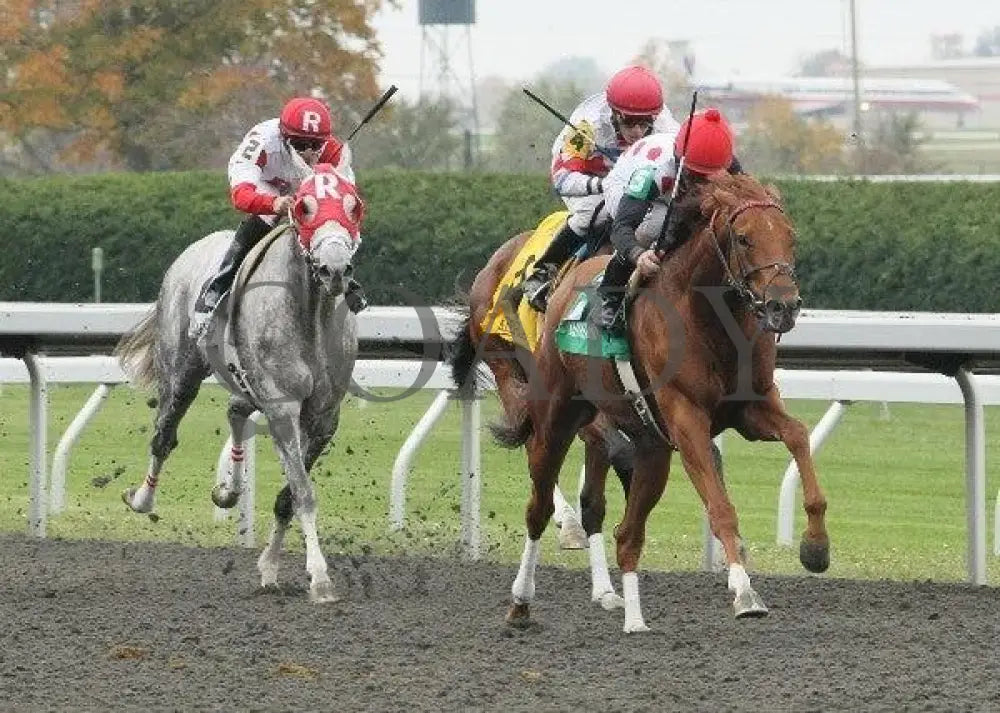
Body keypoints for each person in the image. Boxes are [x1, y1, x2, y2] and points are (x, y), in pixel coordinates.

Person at [190, 96, 366, 336]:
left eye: (315, 145)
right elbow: (240, 197)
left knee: (328, 223)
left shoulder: (332, 150)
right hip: (267, 183)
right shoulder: (261, 143)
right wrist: (274, 203)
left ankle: (343, 277)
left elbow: (347, 204)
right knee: (266, 219)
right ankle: (215, 288)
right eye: (300, 144)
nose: (308, 151)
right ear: (283, 136)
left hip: (304, 186)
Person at [520, 65, 680, 311]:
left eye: (645, 123)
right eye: (630, 122)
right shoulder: (587, 125)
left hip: (637, 178)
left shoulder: (667, 127)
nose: (638, 132)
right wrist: (603, 185)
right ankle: (544, 271)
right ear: (615, 114)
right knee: (595, 213)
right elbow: (562, 179)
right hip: (589, 174)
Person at [595, 106, 743, 335]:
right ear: (680, 160)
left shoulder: (727, 163)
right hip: (629, 182)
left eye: (709, 177)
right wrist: (638, 254)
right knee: (651, 228)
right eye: (696, 175)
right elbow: (621, 227)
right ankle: (610, 296)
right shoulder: (653, 172)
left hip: (680, 191)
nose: (701, 184)